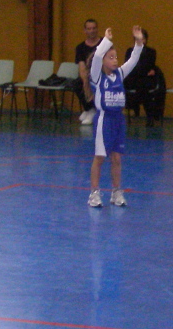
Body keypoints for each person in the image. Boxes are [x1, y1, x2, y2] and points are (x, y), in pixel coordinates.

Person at [87, 25, 145, 208]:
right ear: (103, 60)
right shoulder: (96, 76)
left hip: (118, 120)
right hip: (104, 120)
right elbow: (96, 56)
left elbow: (134, 60)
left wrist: (138, 41)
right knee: (99, 157)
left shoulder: (119, 73)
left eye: (116, 57)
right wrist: (106, 40)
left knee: (117, 158)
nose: (115, 60)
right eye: (110, 57)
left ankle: (116, 191)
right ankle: (94, 193)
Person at [123, 28, 165, 125]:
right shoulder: (129, 51)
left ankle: (147, 114)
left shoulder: (151, 51)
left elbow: (148, 65)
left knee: (144, 86)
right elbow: (127, 65)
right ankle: (139, 109)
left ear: (145, 39)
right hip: (133, 78)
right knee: (135, 85)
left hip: (144, 78)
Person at [71, 19, 101, 125]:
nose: (91, 31)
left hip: (102, 74)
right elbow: (82, 65)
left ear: (97, 29)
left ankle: (94, 110)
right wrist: (85, 80)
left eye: (93, 28)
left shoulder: (104, 44)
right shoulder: (80, 47)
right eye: (89, 29)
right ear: (85, 31)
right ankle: (89, 109)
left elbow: (109, 63)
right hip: (88, 75)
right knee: (77, 84)